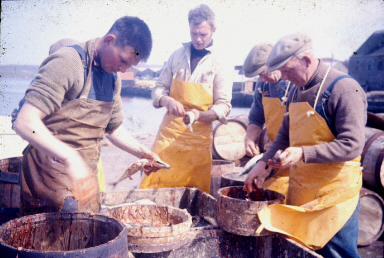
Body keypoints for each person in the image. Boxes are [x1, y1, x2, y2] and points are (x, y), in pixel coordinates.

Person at [13, 16, 161, 215]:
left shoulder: (112, 78)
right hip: (47, 175)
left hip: (84, 176)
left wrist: (142, 152)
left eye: (130, 66)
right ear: (109, 40)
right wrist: (70, 157)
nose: (124, 70)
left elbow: (113, 129)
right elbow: (24, 121)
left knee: (86, 234)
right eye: (123, 60)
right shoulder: (68, 62)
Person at [244, 33, 366, 257]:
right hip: (302, 192)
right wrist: (262, 163)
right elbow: (283, 137)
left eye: (288, 71)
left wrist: (302, 153)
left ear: (307, 60)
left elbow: (353, 145)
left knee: (336, 253)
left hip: (335, 197)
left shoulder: (344, 89)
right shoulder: (295, 90)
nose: (285, 77)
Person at [139, 4, 232, 193]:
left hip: (198, 139)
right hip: (169, 135)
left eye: (203, 34)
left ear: (214, 30)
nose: (198, 39)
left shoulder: (220, 62)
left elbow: (224, 106)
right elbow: (158, 89)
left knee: (193, 195)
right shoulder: (177, 56)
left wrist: (198, 115)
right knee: (154, 186)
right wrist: (166, 101)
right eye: (194, 33)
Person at [242, 42, 292, 198]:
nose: (262, 79)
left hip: (295, 157)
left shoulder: (293, 83)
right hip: (273, 154)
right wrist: (250, 137)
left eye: (264, 73)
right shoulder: (262, 85)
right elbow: (257, 116)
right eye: (259, 76)